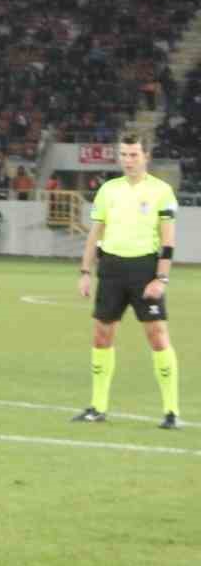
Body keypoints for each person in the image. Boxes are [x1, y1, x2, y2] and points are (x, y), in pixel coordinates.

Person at [73, 133, 181, 428]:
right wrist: (85, 272)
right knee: (101, 336)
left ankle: (171, 411)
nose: (128, 160)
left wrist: (161, 278)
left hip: (145, 269)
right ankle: (97, 407)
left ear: (146, 156)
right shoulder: (108, 190)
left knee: (157, 337)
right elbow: (95, 234)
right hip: (111, 268)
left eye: (134, 155)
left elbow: (168, 240)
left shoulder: (161, 192)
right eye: (124, 154)